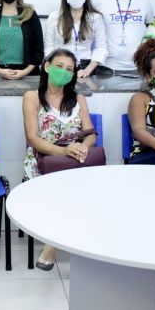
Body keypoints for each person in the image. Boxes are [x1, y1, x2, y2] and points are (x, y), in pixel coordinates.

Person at [22, 49, 96, 270]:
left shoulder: (79, 99)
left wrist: (83, 147)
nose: (64, 72)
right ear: (47, 67)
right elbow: (33, 138)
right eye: (59, 66)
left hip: (75, 160)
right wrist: (64, 151)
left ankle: (51, 246)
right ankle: (54, 244)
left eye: (70, 69)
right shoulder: (32, 97)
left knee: (81, 189)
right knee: (68, 192)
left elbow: (90, 133)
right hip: (44, 160)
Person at [44, 0, 107, 78]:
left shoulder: (95, 18)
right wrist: (56, 68)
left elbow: (101, 48)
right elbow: (49, 48)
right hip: (60, 69)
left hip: (86, 69)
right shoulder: (54, 17)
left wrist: (87, 71)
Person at [100, 0, 153, 74]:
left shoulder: (145, 2)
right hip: (109, 68)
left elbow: (151, 29)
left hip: (139, 67)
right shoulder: (101, 2)